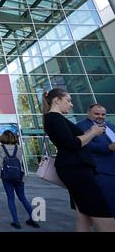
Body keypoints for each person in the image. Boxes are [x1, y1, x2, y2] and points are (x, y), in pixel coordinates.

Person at [43, 88, 115, 232]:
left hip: (75, 168)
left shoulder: (57, 118)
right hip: (76, 170)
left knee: (84, 216)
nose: (71, 105)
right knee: (105, 218)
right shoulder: (54, 118)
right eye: (68, 100)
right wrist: (93, 132)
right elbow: (72, 143)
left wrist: (90, 133)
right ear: (57, 100)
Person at [0, 130, 40, 229]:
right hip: (19, 176)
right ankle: (33, 219)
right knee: (23, 198)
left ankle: (16, 221)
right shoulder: (19, 148)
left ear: (3, 138)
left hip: (6, 176)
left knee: (10, 198)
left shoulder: (1, 148)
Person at [76, 104, 115, 217]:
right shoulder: (81, 126)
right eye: (96, 114)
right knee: (108, 206)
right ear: (88, 113)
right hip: (101, 171)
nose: (100, 116)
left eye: (103, 114)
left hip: (112, 168)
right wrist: (108, 148)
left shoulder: (110, 126)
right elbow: (83, 146)